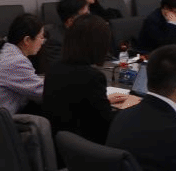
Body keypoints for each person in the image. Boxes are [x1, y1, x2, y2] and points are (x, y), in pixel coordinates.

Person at [42, 15, 140, 146]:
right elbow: (107, 123)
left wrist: (104, 101)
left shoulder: (54, 68)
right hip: (89, 146)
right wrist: (131, 107)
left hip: (62, 144)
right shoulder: (92, 77)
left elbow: (76, 104)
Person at [39, 0, 88, 72]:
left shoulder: (91, 32)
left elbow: (105, 58)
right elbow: (58, 69)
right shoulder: (54, 40)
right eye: (85, 16)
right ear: (70, 21)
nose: (90, 19)